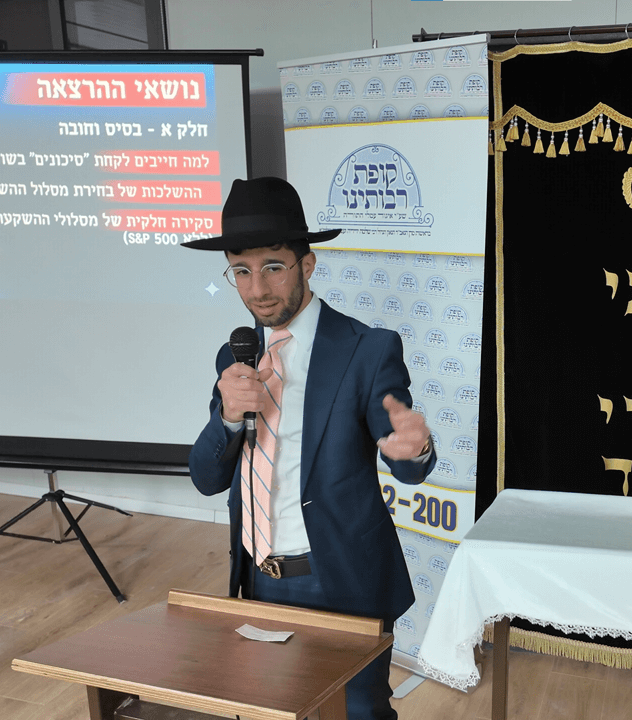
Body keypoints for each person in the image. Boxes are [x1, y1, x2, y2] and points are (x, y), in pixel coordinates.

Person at [183, 177, 437, 720]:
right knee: (272, 710)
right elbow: (206, 478)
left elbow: (408, 463)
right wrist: (227, 418)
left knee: (359, 713)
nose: (257, 289)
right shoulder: (235, 356)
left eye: (273, 267)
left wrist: (413, 449)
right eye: (241, 271)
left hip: (342, 578)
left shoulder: (367, 349)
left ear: (308, 264)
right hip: (258, 579)